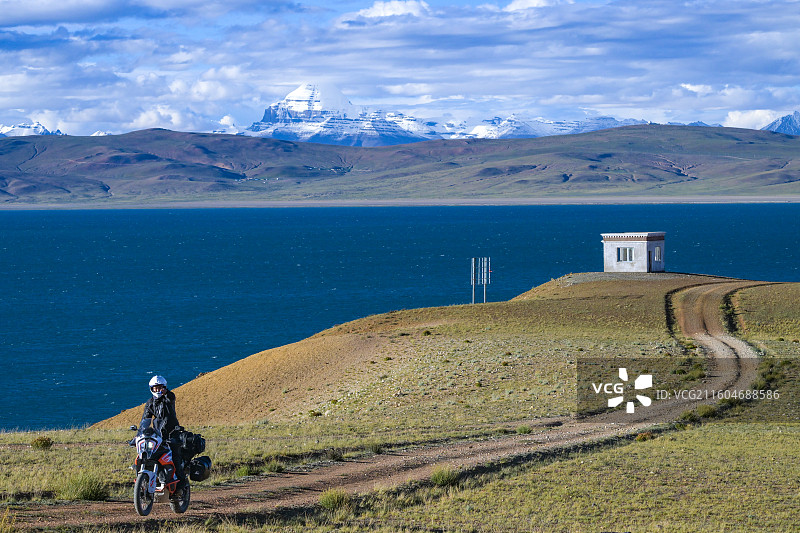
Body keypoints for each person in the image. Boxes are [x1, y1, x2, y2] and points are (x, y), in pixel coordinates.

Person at [141, 375, 187, 493]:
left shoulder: (169, 398)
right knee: (151, 455)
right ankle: (151, 480)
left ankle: (181, 486)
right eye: (155, 388)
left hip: (173, 432)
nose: (158, 390)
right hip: (158, 434)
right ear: (151, 388)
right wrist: (140, 432)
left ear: (165, 387)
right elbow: (145, 419)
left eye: (160, 387)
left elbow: (171, 398)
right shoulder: (150, 403)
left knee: (174, 457)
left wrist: (166, 393)